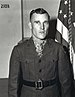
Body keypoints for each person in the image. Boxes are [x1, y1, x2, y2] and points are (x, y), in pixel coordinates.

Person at [8, 8, 74, 97]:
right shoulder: (19, 50)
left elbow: (66, 83)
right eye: (37, 22)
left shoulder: (59, 49)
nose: (42, 27)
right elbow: (13, 86)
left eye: (45, 22)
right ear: (30, 25)